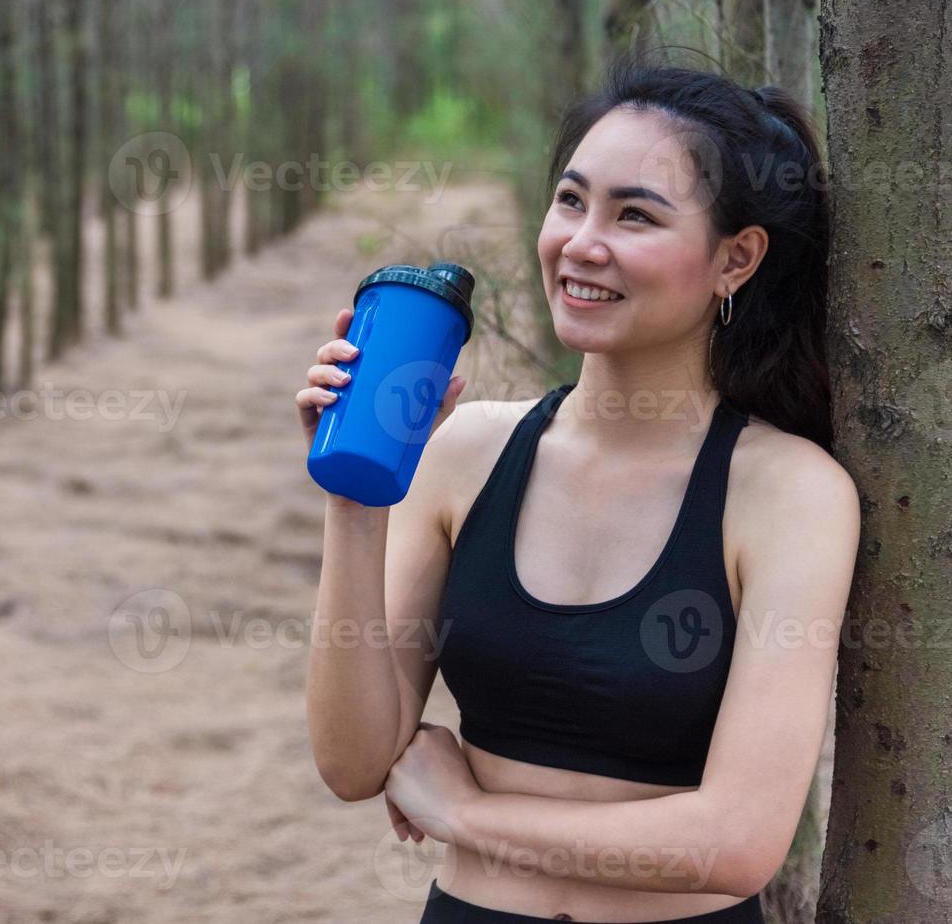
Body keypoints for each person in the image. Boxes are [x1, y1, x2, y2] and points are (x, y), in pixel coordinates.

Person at [296, 52, 860, 923]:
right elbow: (355, 762)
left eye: (635, 215)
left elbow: (740, 840)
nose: (580, 243)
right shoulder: (470, 451)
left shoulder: (788, 493)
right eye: (570, 199)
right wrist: (358, 501)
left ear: (736, 259)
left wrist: (468, 814)